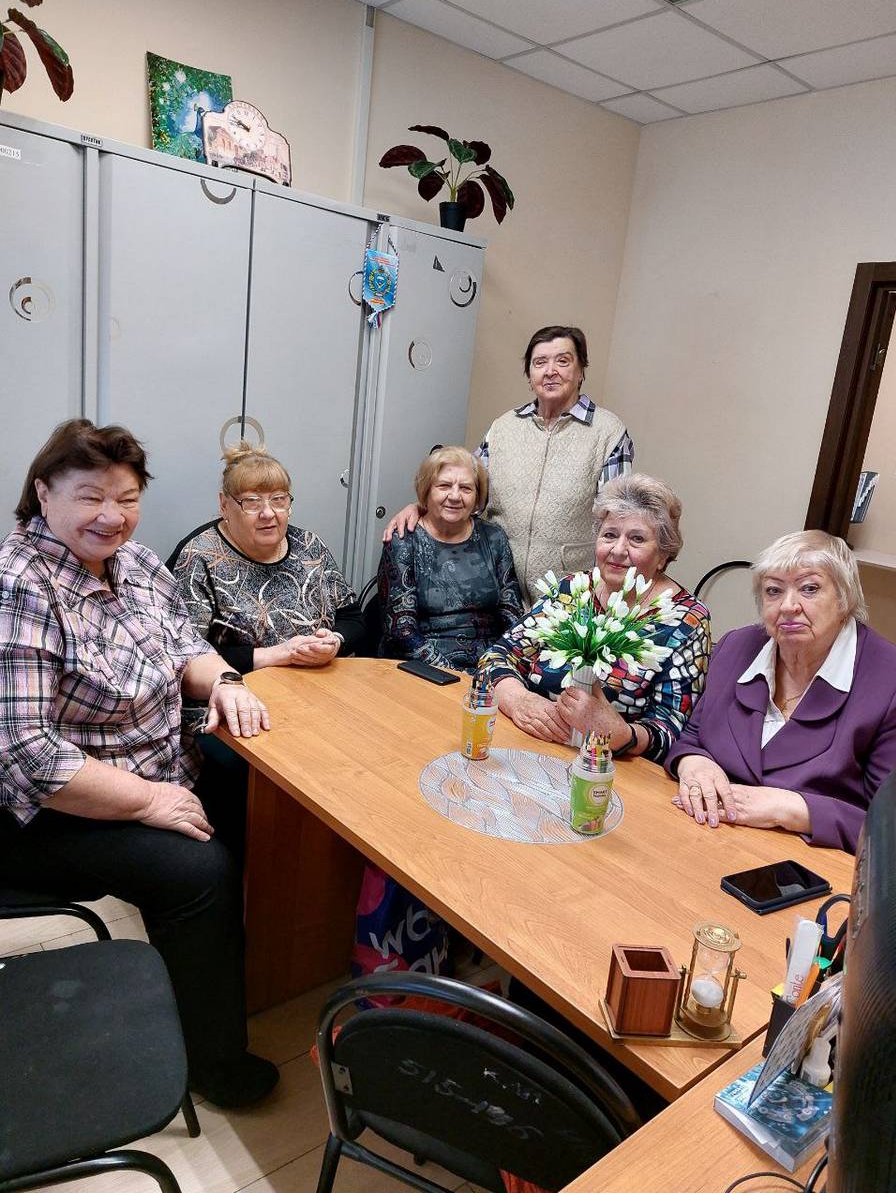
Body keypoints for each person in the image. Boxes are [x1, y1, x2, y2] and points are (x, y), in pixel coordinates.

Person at [0, 419, 278, 1108]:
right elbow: (28, 754)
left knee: (267, 801)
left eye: (126, 499)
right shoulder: (19, 582)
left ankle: (251, 977)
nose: (111, 516)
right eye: (91, 497)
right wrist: (150, 801)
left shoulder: (139, 564)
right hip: (53, 811)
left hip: (159, 763)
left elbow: (186, 648)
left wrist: (224, 682)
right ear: (43, 493)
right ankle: (213, 1060)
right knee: (200, 872)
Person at [666, 530, 896, 852]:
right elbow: (693, 736)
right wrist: (694, 763)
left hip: (809, 861)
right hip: (706, 837)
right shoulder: (736, 647)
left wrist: (791, 809)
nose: (788, 606)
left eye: (809, 588)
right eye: (773, 591)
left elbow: (890, 828)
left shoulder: (891, 681)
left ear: (844, 597)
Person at [384, 325, 633, 602]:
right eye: (540, 362)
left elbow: (617, 523)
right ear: (530, 375)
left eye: (563, 361)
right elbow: (468, 490)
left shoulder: (607, 433)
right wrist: (421, 507)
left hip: (570, 593)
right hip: (496, 586)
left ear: (581, 370)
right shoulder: (503, 427)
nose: (550, 371)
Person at [479, 474, 711, 763]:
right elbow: (497, 657)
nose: (617, 550)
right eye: (610, 535)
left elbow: (672, 731)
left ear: (663, 554)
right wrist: (519, 700)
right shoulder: (572, 590)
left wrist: (622, 734)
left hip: (606, 766)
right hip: (526, 744)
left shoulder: (686, 620)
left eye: (637, 539)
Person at [169, 441, 364, 678]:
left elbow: (352, 618)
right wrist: (278, 655)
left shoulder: (309, 546)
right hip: (238, 691)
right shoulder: (199, 558)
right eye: (252, 502)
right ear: (224, 505)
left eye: (278, 500)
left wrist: (335, 641)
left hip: (318, 683)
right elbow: (185, 654)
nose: (268, 513)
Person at [378, 447, 522, 674]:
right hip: (423, 668)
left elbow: (511, 612)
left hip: (489, 664)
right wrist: (457, 675)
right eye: (444, 486)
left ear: (477, 496)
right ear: (426, 491)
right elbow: (402, 631)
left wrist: (500, 667)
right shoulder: (404, 540)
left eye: (466, 488)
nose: (455, 496)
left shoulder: (493, 537)